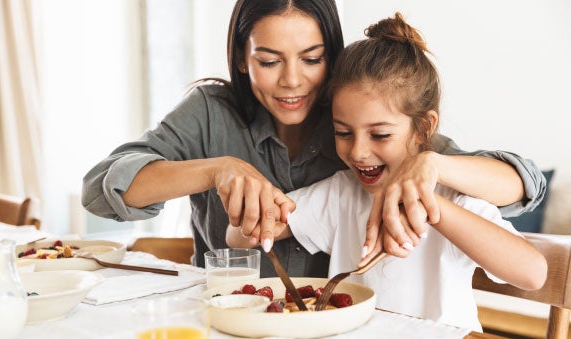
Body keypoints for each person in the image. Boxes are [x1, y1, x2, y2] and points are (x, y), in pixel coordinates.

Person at [82, 0, 545, 278]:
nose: (291, 82)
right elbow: (101, 189)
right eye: (269, 61)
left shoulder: (355, 118)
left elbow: (521, 187)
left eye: (311, 58)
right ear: (243, 59)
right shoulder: (209, 112)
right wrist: (217, 168)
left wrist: (436, 165)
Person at [226, 12, 547, 331]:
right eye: (343, 132)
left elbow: (533, 274)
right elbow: (239, 236)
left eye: (379, 135)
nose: (358, 151)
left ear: (423, 128)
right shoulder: (341, 193)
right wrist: (256, 213)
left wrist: (434, 210)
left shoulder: (453, 199)